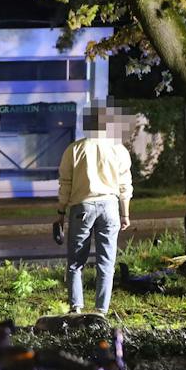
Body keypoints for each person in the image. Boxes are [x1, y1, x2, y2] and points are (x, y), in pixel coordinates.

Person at [54, 105, 133, 315]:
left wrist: (61, 213)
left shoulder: (74, 149)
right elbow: (125, 186)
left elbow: (66, 185)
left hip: (82, 207)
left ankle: (76, 307)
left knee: (75, 262)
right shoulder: (119, 150)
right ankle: (101, 311)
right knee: (106, 262)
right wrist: (125, 213)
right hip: (110, 206)